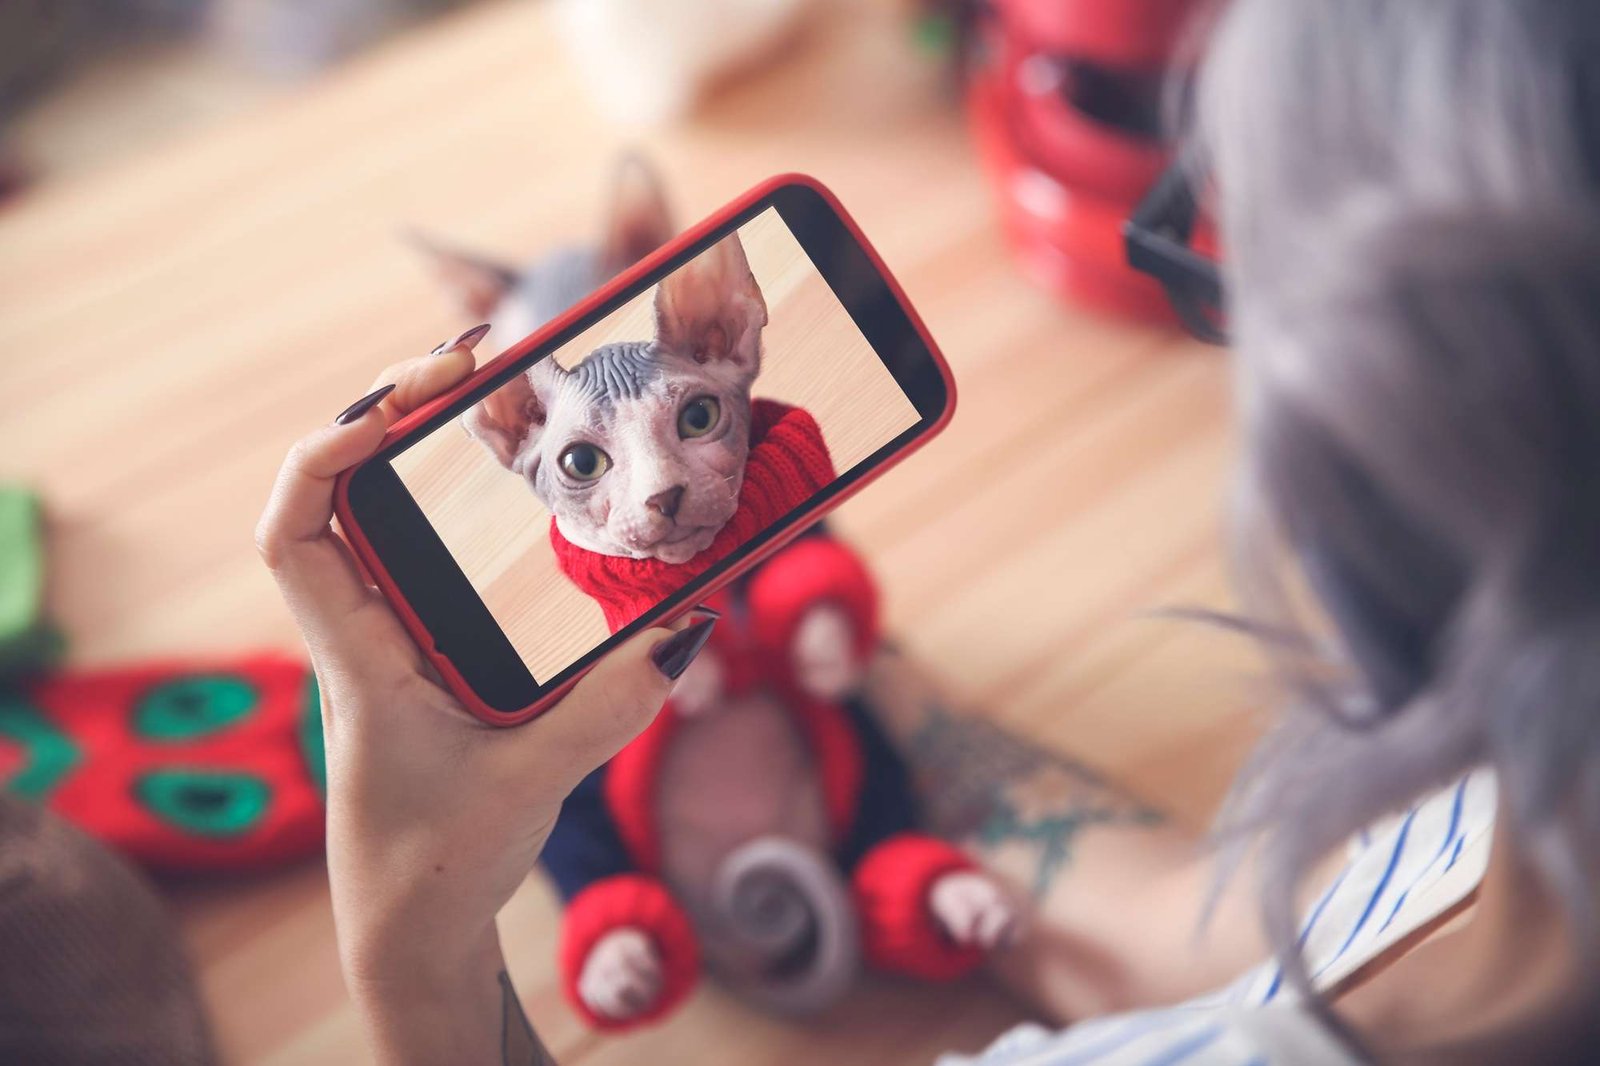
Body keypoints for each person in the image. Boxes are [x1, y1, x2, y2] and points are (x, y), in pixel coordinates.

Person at [257, 1, 1600, 1061]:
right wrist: (875, 682)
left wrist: (415, 960)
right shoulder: (1523, 861)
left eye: (1224, 267)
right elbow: (1220, 933)